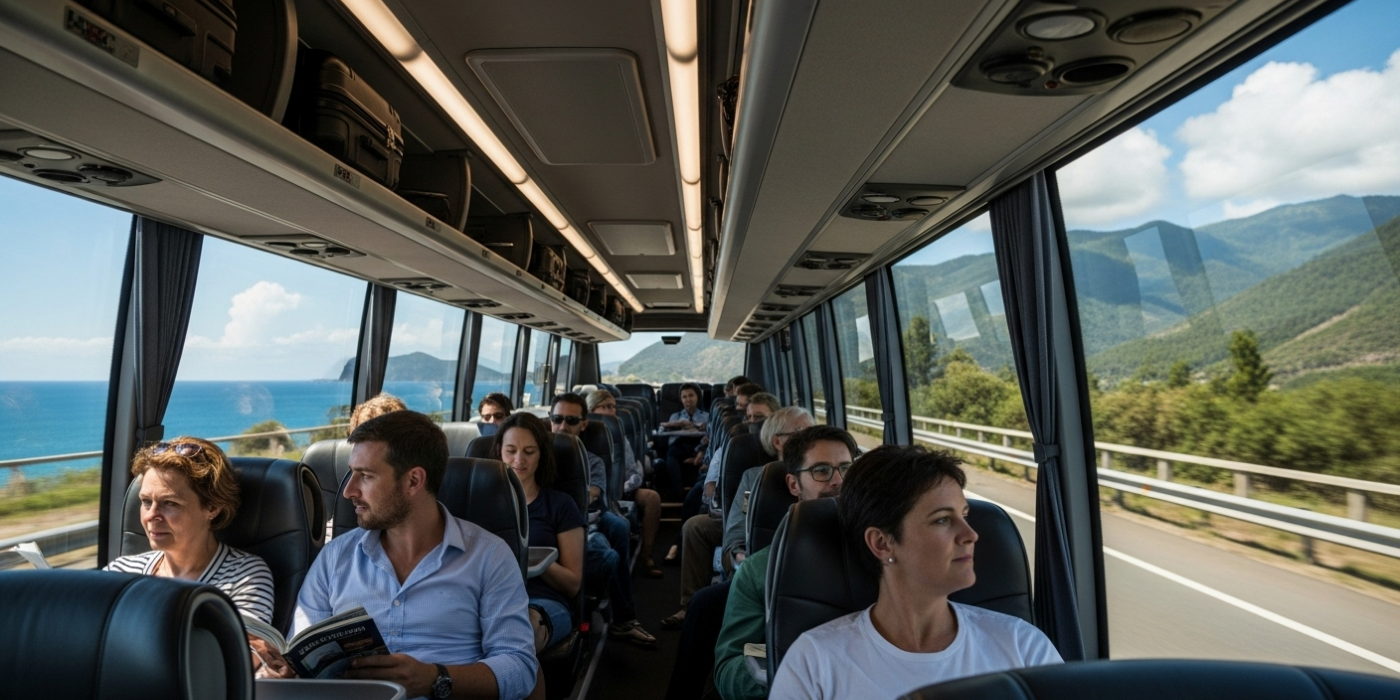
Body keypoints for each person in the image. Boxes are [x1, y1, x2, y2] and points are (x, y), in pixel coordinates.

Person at [271, 411, 538, 700]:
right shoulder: (335, 557)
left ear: (413, 481)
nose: (348, 491)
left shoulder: (488, 556)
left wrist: (436, 678)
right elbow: (301, 649)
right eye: (351, 473)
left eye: (366, 476)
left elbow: (519, 668)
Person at [767, 446, 1063, 700]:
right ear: (882, 543)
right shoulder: (814, 662)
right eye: (943, 520)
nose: (970, 534)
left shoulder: (1022, 645)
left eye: (965, 515)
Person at [661, 414, 825, 700]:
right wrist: (742, 564)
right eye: (800, 432)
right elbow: (737, 531)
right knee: (704, 604)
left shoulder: (842, 489)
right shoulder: (758, 477)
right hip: (761, 575)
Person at [709, 425, 856, 700]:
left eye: (846, 469)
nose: (838, 481)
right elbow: (729, 668)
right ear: (793, 484)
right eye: (821, 471)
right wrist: (791, 680)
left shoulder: (889, 554)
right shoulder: (760, 570)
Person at [106, 437, 275, 624]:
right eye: (146, 501)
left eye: (170, 503)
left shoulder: (244, 577)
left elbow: (242, 649)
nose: (151, 515)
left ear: (212, 508)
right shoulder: (121, 571)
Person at [550, 393, 657, 647]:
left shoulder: (592, 460)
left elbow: (594, 493)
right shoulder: (533, 457)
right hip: (556, 520)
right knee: (606, 549)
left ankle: (624, 617)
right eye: (557, 419)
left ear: (583, 424)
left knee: (618, 526)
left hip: (590, 514)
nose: (563, 426)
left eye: (571, 420)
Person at [661, 386, 770, 630]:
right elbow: (712, 489)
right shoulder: (735, 445)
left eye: (759, 418)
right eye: (748, 416)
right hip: (733, 516)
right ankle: (689, 603)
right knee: (695, 525)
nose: (751, 423)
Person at [493, 413, 585, 654]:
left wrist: (539, 561)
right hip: (490, 599)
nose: (518, 460)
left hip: (542, 601)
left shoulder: (560, 505)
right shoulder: (481, 505)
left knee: (521, 628)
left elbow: (573, 584)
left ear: (541, 455)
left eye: (529, 451)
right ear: (499, 453)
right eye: (511, 450)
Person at [722, 406, 812, 568]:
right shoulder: (754, 478)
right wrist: (740, 554)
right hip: (764, 563)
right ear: (777, 441)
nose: (811, 439)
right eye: (800, 431)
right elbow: (739, 525)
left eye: (813, 431)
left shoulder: (825, 475)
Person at [586, 389, 663, 578]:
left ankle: (646, 554)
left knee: (652, 498)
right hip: (594, 493)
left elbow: (633, 472)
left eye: (613, 407)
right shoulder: (580, 436)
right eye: (606, 407)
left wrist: (622, 488)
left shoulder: (618, 432)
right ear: (591, 409)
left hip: (622, 488)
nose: (612, 411)